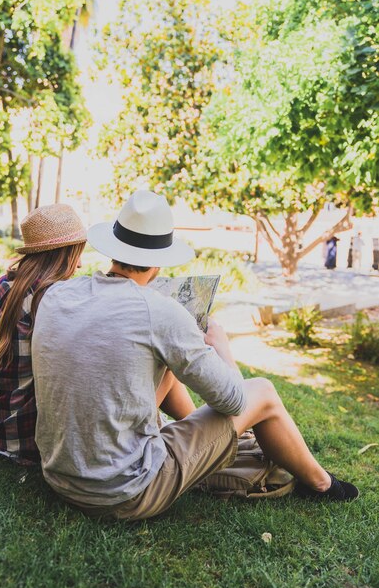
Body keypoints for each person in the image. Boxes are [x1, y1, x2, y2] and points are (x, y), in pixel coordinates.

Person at [32, 191, 359, 520]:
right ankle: (320, 483)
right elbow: (233, 401)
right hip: (123, 493)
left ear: (113, 248)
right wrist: (222, 348)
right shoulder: (160, 311)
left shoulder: (57, 294)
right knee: (262, 391)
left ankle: (217, 448)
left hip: (59, 478)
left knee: (167, 366)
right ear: (159, 262)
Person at [0, 204, 86, 465]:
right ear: (63, 254)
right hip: (28, 440)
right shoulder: (54, 298)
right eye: (76, 253)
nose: (80, 264)